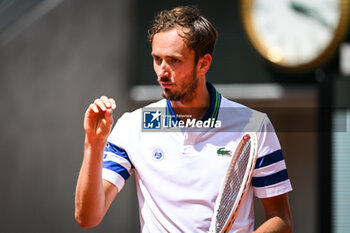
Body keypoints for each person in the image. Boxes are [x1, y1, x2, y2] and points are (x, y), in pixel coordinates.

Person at [75, 5, 293, 233]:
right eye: (157, 59)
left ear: (203, 63)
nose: (162, 71)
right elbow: (87, 218)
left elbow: (281, 219)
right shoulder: (133, 126)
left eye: (174, 60)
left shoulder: (255, 126)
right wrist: (93, 144)